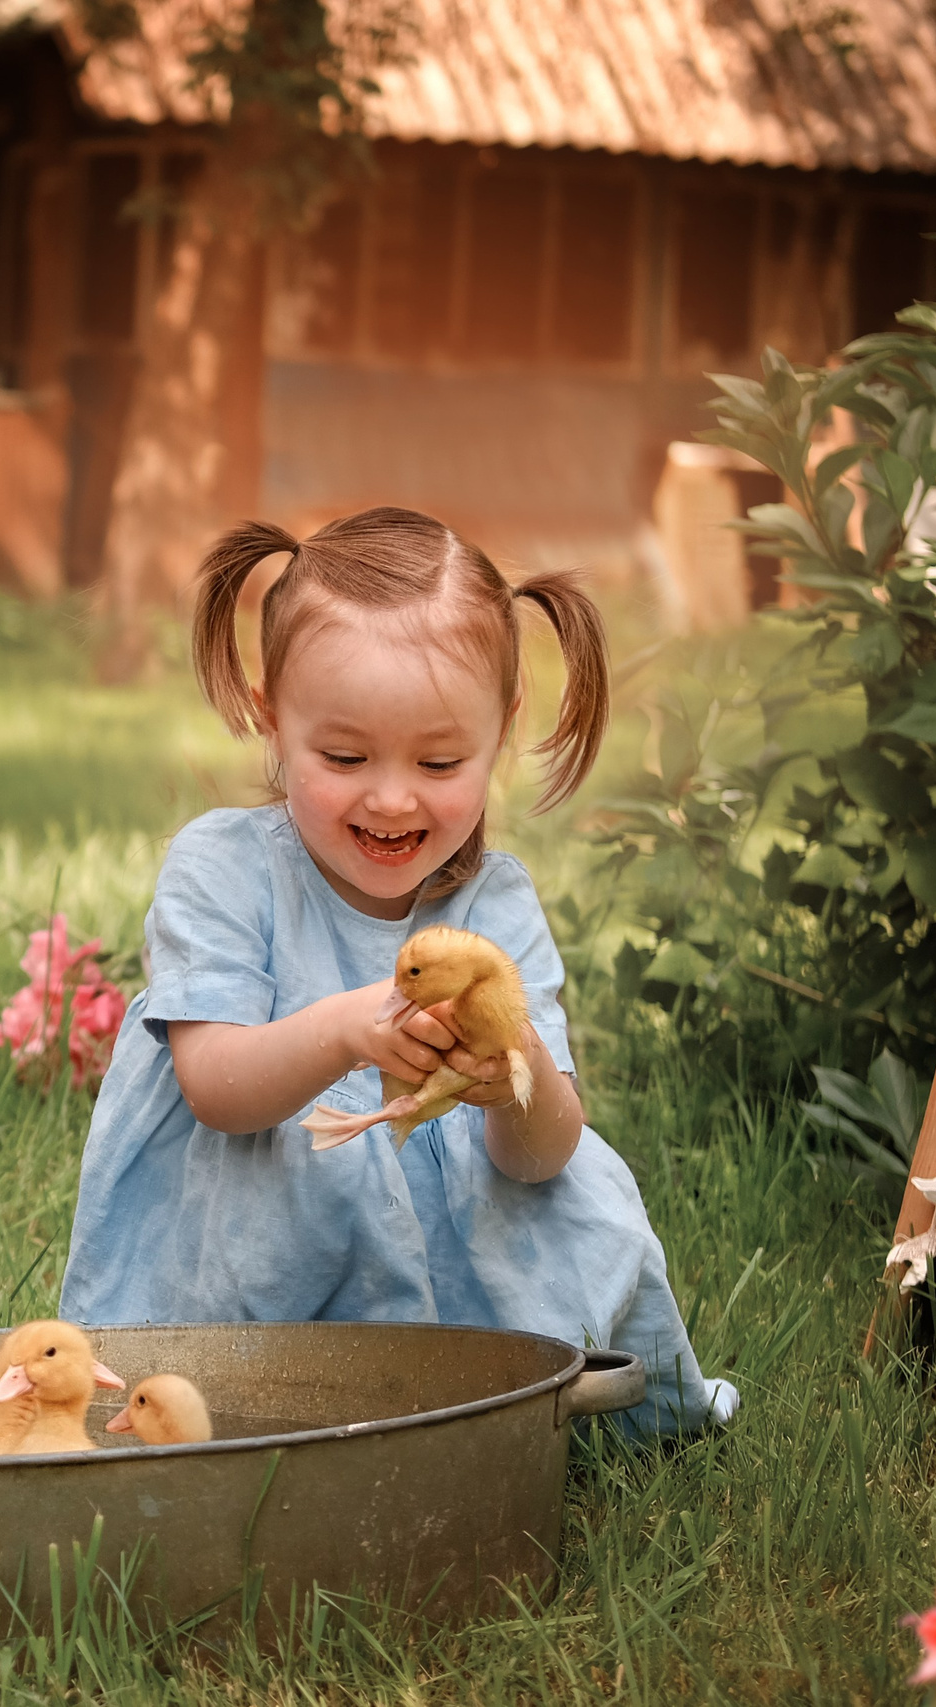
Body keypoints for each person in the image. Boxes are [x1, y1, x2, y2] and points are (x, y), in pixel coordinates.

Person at [60, 508, 735, 1436]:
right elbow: (214, 1086)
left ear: (500, 731)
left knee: (561, 1263)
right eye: (343, 756)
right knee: (231, 1423)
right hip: (256, 1243)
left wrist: (510, 1083)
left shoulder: (493, 906)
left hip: (465, 1272)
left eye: (439, 759)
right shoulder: (225, 869)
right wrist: (344, 1031)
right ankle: (264, 1409)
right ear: (271, 716)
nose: (390, 795)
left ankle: (505, 1404)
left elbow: (542, 1159)